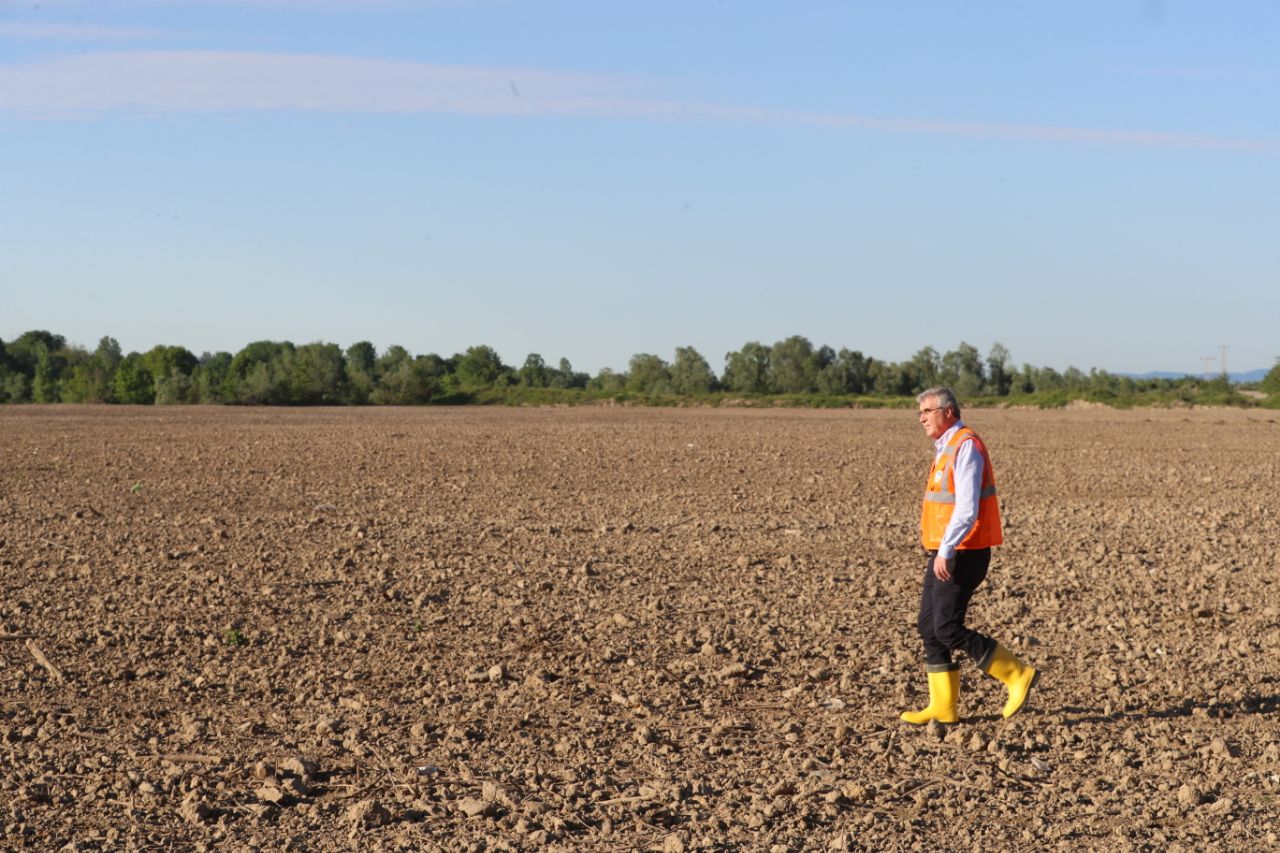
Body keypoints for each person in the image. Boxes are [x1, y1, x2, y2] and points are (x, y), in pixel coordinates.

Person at [900, 387, 1039, 724]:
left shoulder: (966, 446)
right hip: (944, 550)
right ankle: (943, 707)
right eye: (920, 411)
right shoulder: (946, 446)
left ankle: (1017, 673)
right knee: (929, 626)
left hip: (963, 551)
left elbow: (966, 508)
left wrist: (946, 551)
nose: (921, 417)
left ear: (948, 411)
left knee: (946, 627)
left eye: (928, 410)